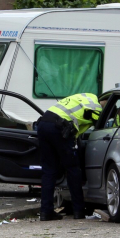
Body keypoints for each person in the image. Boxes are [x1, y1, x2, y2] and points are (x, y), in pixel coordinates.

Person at [36, 93, 103, 221]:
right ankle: (78, 211)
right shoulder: (96, 108)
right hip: (60, 128)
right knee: (73, 169)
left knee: (48, 170)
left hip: (43, 123)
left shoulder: (85, 97)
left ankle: (46, 212)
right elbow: (99, 126)